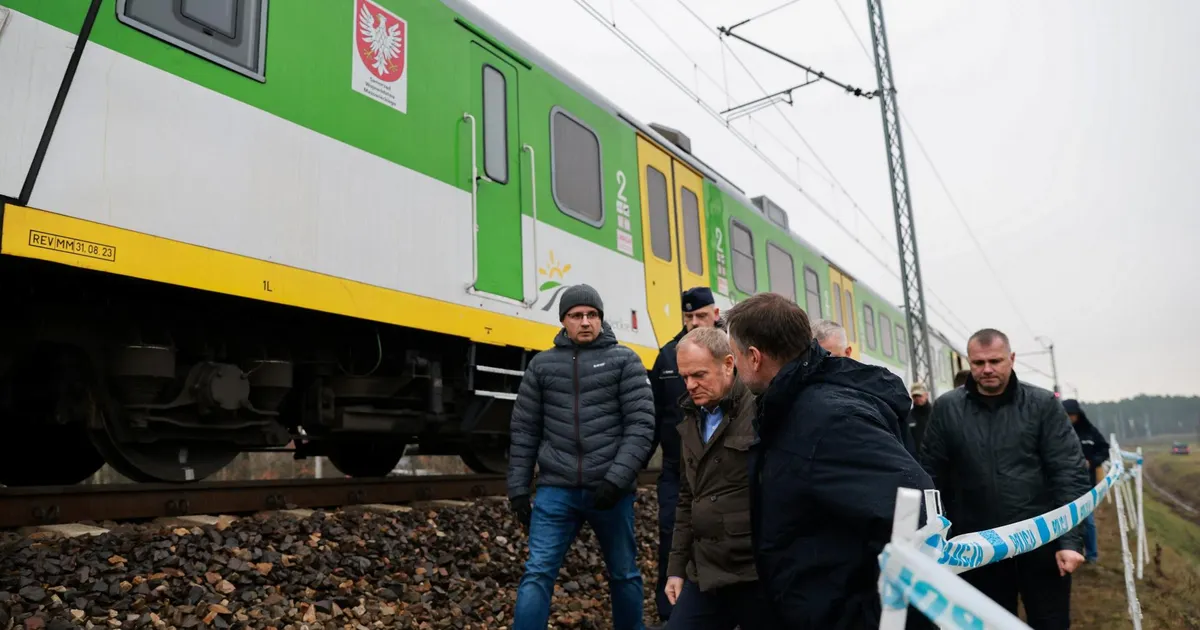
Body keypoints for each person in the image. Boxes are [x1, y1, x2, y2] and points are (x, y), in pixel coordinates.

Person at [721, 292, 935, 628]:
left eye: (734, 355)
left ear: (754, 356)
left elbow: (915, 504)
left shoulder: (827, 419)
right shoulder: (793, 406)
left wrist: (875, 616)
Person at [918, 328, 1092, 629]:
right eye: (978, 363)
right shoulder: (947, 408)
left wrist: (1070, 540)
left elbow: (1069, 472)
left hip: (1042, 543)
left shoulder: (1042, 405)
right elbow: (932, 477)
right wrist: (932, 539)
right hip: (977, 548)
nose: (986, 369)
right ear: (968, 364)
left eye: (995, 361)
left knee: (1050, 622)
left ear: (1011, 359)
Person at [506, 284, 656, 630]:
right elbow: (525, 430)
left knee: (624, 573)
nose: (585, 321)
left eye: (592, 315)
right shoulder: (541, 366)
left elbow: (640, 426)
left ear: (601, 319)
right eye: (577, 315)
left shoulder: (625, 361)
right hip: (556, 490)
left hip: (610, 491)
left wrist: (617, 479)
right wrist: (517, 488)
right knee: (538, 572)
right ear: (563, 321)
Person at [663, 327, 774, 629]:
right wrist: (676, 569)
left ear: (728, 364)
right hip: (706, 574)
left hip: (755, 575)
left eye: (699, 375)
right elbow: (688, 499)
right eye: (684, 377)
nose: (690, 385)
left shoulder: (762, 409)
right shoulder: (691, 418)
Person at [646, 286, 721, 627]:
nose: (693, 323)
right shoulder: (666, 357)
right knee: (671, 542)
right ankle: (671, 615)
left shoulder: (731, 351)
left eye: (701, 315)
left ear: (715, 314)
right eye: (688, 317)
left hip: (724, 471)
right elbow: (655, 417)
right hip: (677, 473)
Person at [1062, 398, 1110, 563]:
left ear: (1078, 415)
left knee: (1087, 521)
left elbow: (1104, 449)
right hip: (1060, 483)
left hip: (1085, 485)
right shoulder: (1056, 431)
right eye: (1066, 415)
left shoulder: (1090, 432)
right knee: (1064, 521)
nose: (1069, 418)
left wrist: (1092, 462)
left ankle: (1091, 555)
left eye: (1072, 415)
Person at [908, 381, 933, 453]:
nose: (917, 398)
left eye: (920, 395)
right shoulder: (909, 416)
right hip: (916, 459)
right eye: (915, 396)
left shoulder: (935, 413)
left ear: (926, 395)